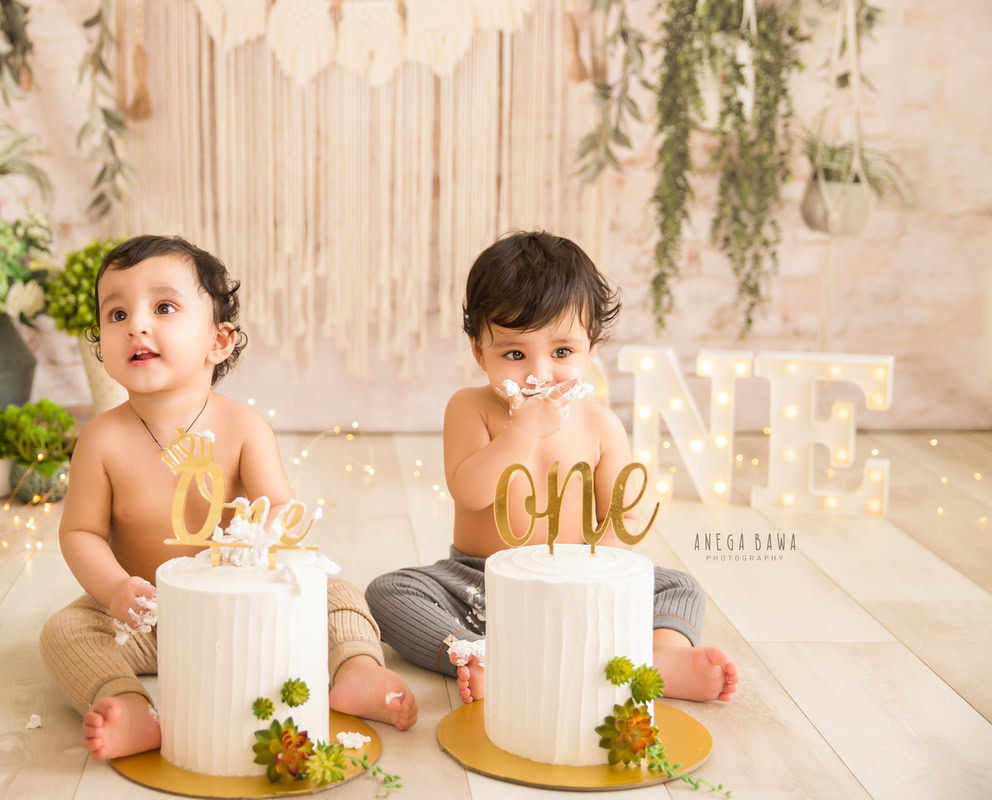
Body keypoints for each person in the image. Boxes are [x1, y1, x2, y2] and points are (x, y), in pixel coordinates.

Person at [40, 235, 417, 760]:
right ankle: (127, 705)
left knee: (338, 595)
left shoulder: (242, 427)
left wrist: (257, 546)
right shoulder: (102, 438)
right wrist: (113, 591)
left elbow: (282, 509)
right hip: (148, 616)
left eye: (164, 307)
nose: (137, 325)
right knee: (66, 630)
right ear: (102, 347)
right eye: (117, 313)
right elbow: (80, 532)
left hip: (246, 603)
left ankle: (356, 671)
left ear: (218, 341)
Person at [365, 231, 739, 705]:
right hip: (482, 585)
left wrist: (587, 569)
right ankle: (480, 655)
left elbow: (624, 520)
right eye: (515, 354)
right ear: (480, 351)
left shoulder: (600, 423)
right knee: (389, 591)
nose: (538, 371)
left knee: (678, 586)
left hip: (579, 582)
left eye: (561, 352)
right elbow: (469, 492)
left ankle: (655, 658)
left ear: (591, 350)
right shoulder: (471, 408)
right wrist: (522, 432)